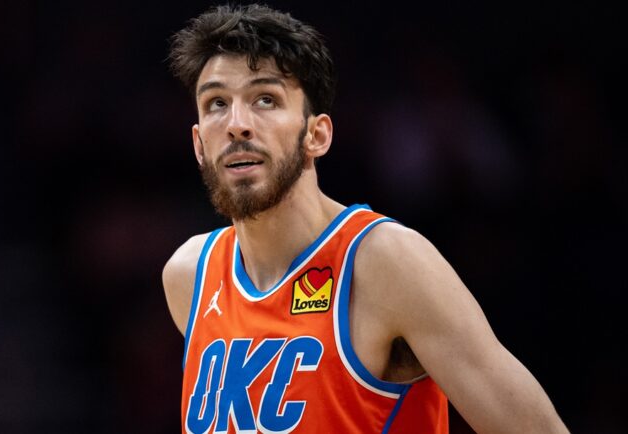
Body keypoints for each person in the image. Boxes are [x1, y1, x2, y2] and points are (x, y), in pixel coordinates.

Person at [162, 4, 569, 433]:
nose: (237, 124)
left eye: (266, 99)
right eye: (216, 104)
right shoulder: (189, 276)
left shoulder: (385, 262)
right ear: (199, 144)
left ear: (316, 135)